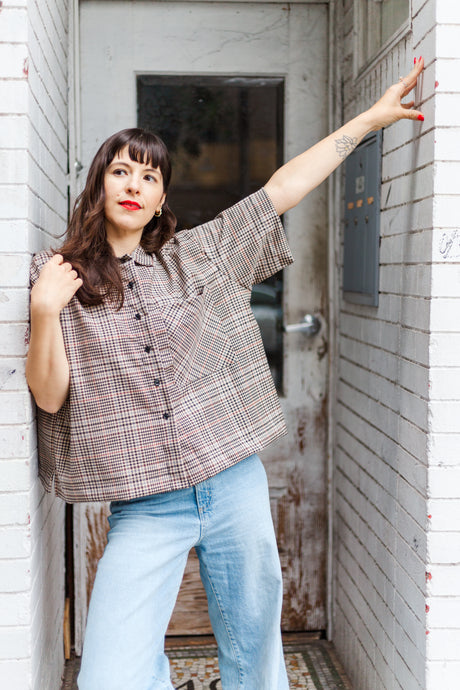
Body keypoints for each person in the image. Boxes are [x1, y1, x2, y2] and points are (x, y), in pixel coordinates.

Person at [26, 59, 424, 690]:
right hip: (145, 504)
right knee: (110, 673)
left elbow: (282, 188)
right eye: (120, 170)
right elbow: (49, 395)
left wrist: (370, 120)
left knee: (255, 652)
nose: (133, 183)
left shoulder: (200, 255)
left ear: (161, 197)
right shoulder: (60, 277)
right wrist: (45, 311)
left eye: (148, 175)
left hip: (232, 481)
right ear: (98, 186)